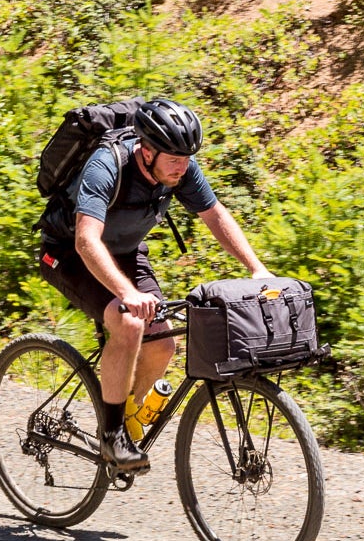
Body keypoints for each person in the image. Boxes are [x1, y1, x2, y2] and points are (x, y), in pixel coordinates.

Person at [35, 99, 272, 473]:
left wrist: (257, 268)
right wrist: (127, 294)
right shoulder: (106, 166)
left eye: (187, 157)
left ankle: (126, 413)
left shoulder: (180, 168)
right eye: (173, 159)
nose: (182, 166)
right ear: (146, 151)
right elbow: (86, 242)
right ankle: (112, 436)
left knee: (162, 344)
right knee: (128, 322)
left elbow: (214, 214)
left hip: (126, 253)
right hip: (69, 252)